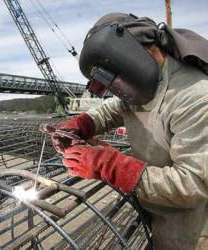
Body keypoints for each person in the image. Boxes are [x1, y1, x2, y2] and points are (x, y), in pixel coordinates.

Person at [49, 13, 208, 249]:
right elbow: (119, 106)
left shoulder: (195, 97)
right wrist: (84, 123)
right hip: (159, 213)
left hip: (195, 230)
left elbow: (194, 184)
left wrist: (111, 166)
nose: (119, 91)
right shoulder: (144, 82)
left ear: (136, 55)